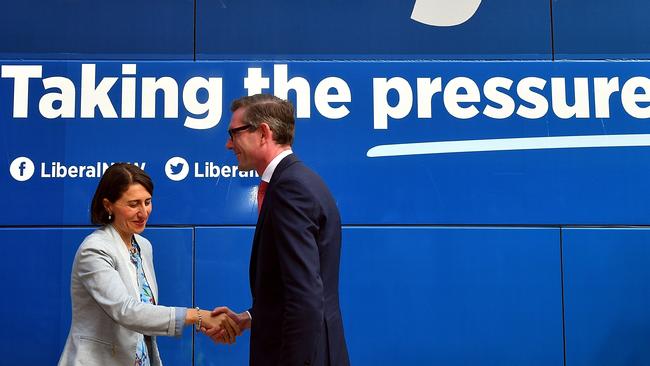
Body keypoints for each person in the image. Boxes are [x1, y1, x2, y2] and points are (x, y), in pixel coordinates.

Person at [207, 94, 350, 366]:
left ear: (263, 132)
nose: (228, 144)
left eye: (233, 133)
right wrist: (249, 318)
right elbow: (290, 292)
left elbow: (305, 296)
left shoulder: (290, 188)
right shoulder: (295, 181)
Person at [59, 163, 239, 366]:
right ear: (108, 205)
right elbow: (126, 311)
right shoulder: (94, 249)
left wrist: (204, 322)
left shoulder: (143, 246)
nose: (144, 212)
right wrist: (197, 316)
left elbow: (146, 314)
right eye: (133, 204)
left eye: (147, 202)